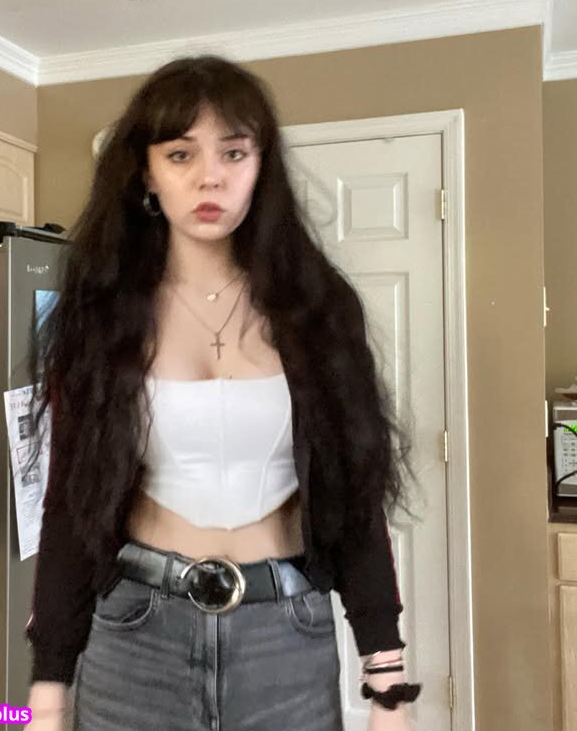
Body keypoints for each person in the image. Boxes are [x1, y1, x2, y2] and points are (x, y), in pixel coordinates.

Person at [23, 55, 421, 731]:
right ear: (146, 171)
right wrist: (48, 690)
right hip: (135, 637)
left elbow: (355, 493)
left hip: (285, 639)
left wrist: (388, 687)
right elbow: (71, 500)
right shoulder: (102, 315)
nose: (210, 176)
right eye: (181, 154)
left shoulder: (321, 310)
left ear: (261, 166)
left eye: (233, 152)